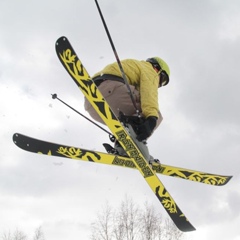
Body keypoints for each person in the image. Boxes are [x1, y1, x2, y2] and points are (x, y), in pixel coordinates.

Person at [84, 57, 170, 146]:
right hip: (112, 92)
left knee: (133, 119)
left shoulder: (135, 66)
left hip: (91, 105)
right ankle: (132, 141)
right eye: (162, 80)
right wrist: (151, 118)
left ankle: (123, 142)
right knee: (155, 115)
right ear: (157, 69)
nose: (159, 84)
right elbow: (149, 93)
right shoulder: (150, 70)